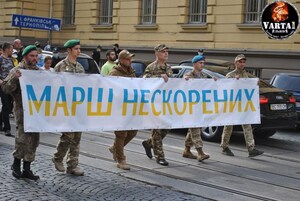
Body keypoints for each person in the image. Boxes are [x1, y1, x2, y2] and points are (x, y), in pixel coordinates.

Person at [2, 45, 41, 180]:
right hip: (22, 109)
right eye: (32, 56)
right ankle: (16, 164)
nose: (35, 59)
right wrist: (15, 79)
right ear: (25, 57)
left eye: (36, 56)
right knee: (22, 138)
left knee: (34, 139)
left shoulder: (39, 71)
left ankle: (27, 168)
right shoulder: (17, 70)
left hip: (36, 110)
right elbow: (6, 89)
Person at [52, 39, 85, 176]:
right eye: (76, 48)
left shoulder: (80, 67)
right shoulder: (60, 66)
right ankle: (57, 158)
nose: (79, 51)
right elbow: (53, 85)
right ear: (69, 50)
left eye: (79, 48)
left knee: (77, 136)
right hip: (65, 106)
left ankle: (72, 165)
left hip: (77, 107)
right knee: (67, 135)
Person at [220, 54, 264, 158]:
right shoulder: (230, 75)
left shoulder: (246, 75)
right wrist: (234, 81)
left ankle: (251, 148)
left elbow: (249, 87)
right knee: (228, 126)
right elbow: (225, 88)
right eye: (240, 62)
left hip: (243, 105)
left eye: (243, 62)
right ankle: (224, 146)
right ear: (235, 63)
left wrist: (255, 83)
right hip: (232, 105)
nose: (242, 64)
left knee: (247, 125)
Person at [142, 44, 172, 166]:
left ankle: (149, 143)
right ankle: (160, 156)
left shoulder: (168, 67)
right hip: (154, 104)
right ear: (157, 53)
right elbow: (145, 79)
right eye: (163, 52)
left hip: (165, 103)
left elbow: (173, 81)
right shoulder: (151, 67)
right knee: (158, 130)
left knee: (166, 127)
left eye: (167, 51)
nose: (166, 53)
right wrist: (159, 77)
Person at [108, 49, 138, 170]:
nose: (130, 61)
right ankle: (121, 159)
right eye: (127, 59)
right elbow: (110, 88)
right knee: (121, 134)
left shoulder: (131, 71)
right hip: (118, 108)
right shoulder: (114, 73)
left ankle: (115, 148)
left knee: (133, 131)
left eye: (131, 58)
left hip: (130, 107)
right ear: (121, 60)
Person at [182, 55, 210, 162]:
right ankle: (200, 152)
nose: (202, 65)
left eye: (203, 63)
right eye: (200, 63)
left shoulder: (203, 76)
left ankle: (187, 150)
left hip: (200, 107)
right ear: (194, 64)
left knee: (192, 129)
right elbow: (182, 85)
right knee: (195, 128)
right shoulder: (188, 75)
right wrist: (185, 80)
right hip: (190, 107)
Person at [0, 42, 14, 136]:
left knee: (7, 106)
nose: (12, 51)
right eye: (10, 49)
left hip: (10, 85)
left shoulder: (10, 60)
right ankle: (7, 128)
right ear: (6, 49)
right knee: (6, 106)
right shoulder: (0, 59)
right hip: (2, 85)